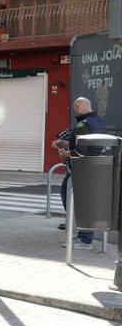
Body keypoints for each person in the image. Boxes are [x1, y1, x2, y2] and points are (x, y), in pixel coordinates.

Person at [56, 97, 107, 249]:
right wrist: (67, 143)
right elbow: (88, 144)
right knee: (78, 199)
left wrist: (66, 153)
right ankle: (81, 235)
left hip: (83, 168)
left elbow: (81, 151)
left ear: (79, 106)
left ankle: (85, 240)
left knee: (80, 202)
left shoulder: (84, 124)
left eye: (74, 109)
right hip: (93, 167)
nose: (74, 112)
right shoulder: (98, 121)